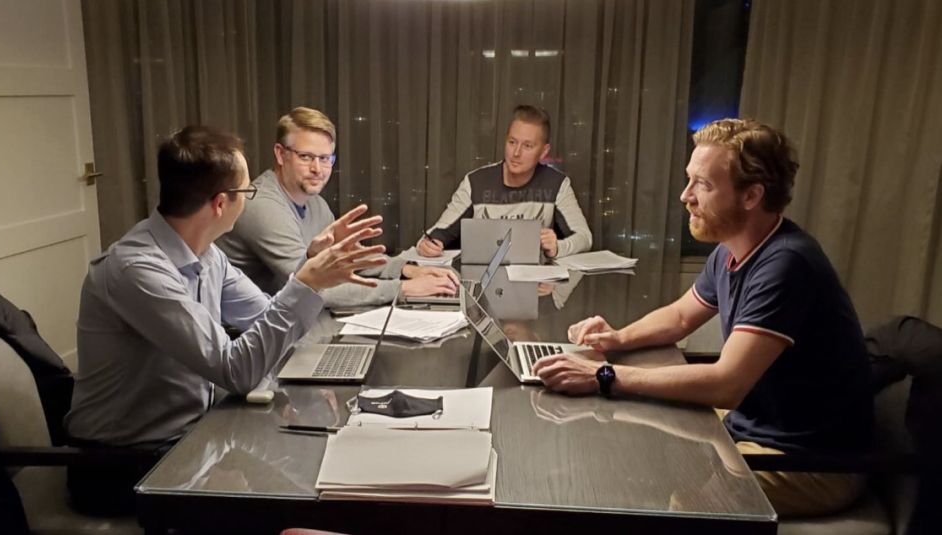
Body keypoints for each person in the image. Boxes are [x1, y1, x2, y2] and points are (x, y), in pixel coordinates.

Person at [532, 118, 873, 517]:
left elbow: (726, 384)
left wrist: (604, 376)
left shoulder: (786, 264)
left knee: (672, 502)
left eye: (703, 185)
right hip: (757, 427)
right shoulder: (732, 250)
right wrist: (617, 339)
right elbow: (679, 317)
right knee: (640, 445)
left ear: (751, 196)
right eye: (688, 180)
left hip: (809, 461)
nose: (685, 196)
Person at [64, 125, 386, 514]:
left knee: (321, 468)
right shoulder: (138, 270)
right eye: (246, 193)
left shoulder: (205, 253)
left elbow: (266, 315)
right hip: (124, 465)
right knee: (299, 500)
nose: (250, 201)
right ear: (220, 203)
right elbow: (237, 372)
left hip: (195, 437)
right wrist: (307, 283)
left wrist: (307, 266)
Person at [217, 107, 458, 307]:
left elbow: (344, 262)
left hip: (292, 323)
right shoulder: (263, 207)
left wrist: (406, 269)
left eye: (325, 159)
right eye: (306, 157)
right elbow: (313, 287)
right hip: (252, 336)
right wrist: (403, 288)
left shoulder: (315, 203)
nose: (317, 169)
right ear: (281, 155)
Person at [415, 105, 592, 259]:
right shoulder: (476, 182)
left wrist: (558, 247)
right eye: (512, 142)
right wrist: (428, 244)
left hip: (534, 284)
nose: (516, 153)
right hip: (482, 282)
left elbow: (584, 237)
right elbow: (439, 231)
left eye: (527, 146)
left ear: (544, 151)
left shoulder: (557, 184)